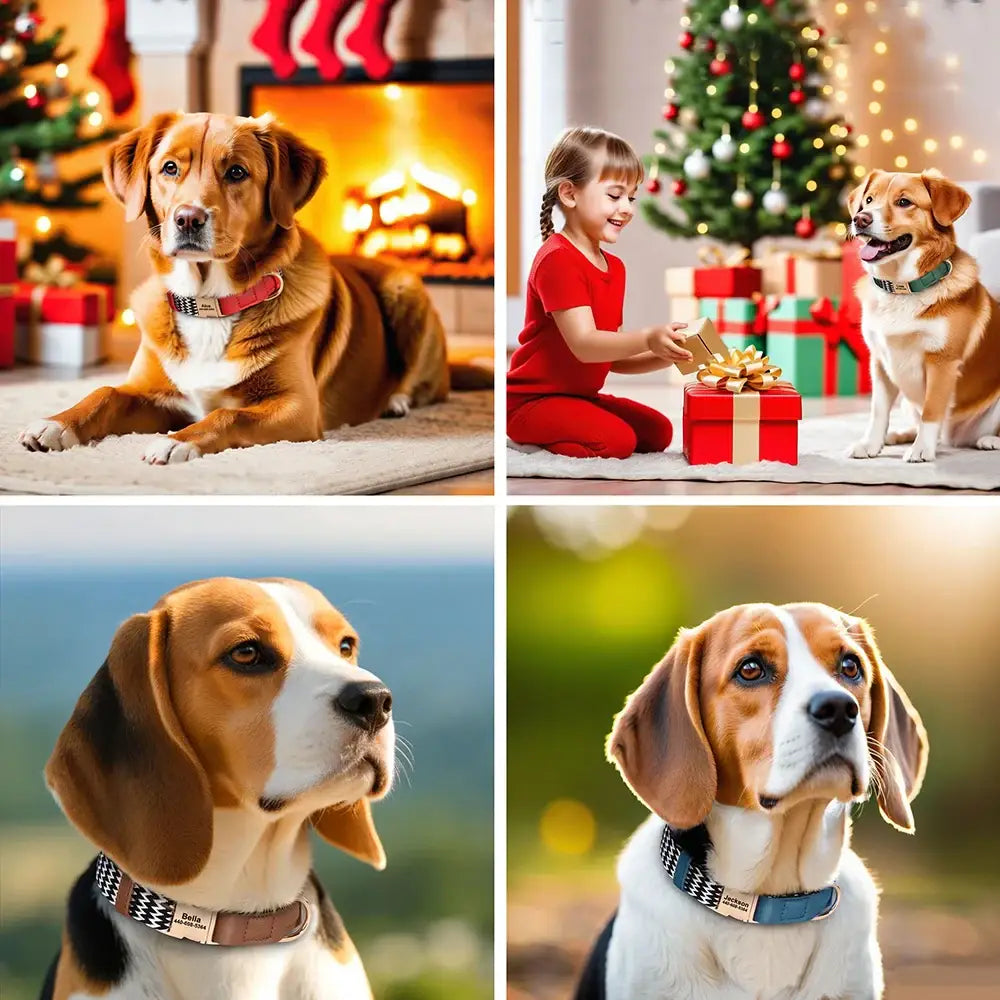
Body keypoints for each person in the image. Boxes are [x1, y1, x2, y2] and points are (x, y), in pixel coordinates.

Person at [507, 126, 692, 459]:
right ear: (569, 194)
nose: (628, 208)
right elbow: (585, 344)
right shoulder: (558, 260)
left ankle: (574, 426)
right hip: (533, 403)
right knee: (617, 442)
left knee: (658, 433)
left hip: (579, 397)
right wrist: (649, 336)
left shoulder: (614, 268)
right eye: (614, 195)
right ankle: (532, 446)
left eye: (631, 197)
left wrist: (665, 355)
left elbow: (611, 358)